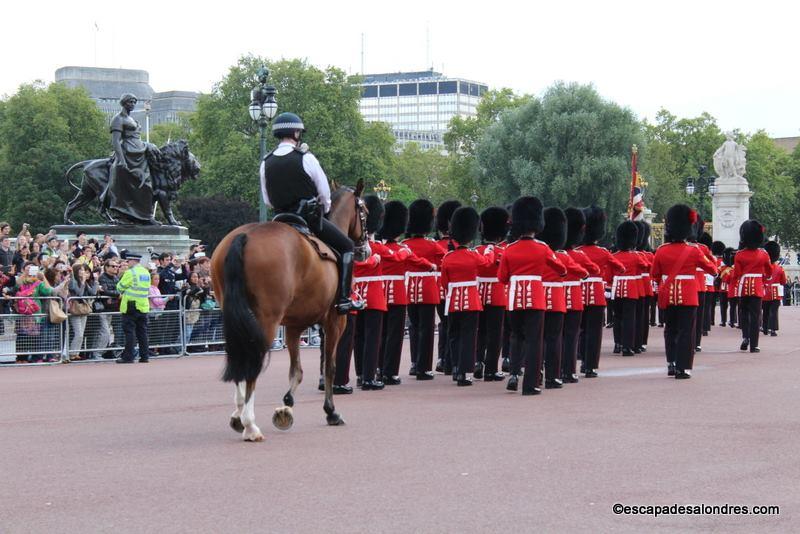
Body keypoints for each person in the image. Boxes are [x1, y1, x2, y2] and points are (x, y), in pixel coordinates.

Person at [259, 111, 363, 314]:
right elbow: (324, 193)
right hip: (306, 219)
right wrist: (323, 211)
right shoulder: (306, 158)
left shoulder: (266, 161)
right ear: (296, 133)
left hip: (279, 220)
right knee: (347, 246)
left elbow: (267, 200)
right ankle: (344, 299)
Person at [498, 196, 566, 395]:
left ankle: (513, 375)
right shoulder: (542, 248)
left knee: (516, 337)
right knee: (534, 340)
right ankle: (530, 384)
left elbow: (502, 277)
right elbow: (561, 269)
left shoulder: (509, 250)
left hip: (514, 299)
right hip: (535, 298)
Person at [651, 205, 718, 379]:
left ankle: (671, 363)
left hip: (667, 296)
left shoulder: (661, 250)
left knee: (670, 330)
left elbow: (655, 275)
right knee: (686, 332)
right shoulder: (694, 251)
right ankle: (683, 367)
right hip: (688, 295)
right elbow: (712, 269)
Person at [441, 207, 495, 386]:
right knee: (468, 336)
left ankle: (456, 368)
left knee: (454, 335)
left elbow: (445, 283)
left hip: (453, 301)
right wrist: (489, 250)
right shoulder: (473, 256)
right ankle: (465, 372)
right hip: (471, 301)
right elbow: (487, 263)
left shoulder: (448, 257)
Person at [539, 207, 588, 388]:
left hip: (539, 298)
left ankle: (540, 370)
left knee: (541, 337)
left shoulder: (539, 253)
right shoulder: (563, 257)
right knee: (565, 336)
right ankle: (566, 371)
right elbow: (582, 271)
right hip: (562, 299)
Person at [575, 206, 625, 377]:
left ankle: (580, 357)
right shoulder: (603, 252)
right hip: (596, 293)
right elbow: (620, 268)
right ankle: (590, 366)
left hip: (578, 292)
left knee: (579, 328)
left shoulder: (577, 252)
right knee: (594, 331)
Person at [403, 199, 447, 378]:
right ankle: (424, 367)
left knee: (414, 326)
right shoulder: (431, 245)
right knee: (426, 328)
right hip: (428, 289)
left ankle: (414, 363)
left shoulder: (405, 243)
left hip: (409, 289)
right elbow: (447, 259)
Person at [103, 94, 158, 225]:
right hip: (127, 154)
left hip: (138, 155)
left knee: (146, 185)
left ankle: (144, 216)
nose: (132, 104)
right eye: (130, 102)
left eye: (134, 101)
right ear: (123, 103)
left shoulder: (131, 119)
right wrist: (121, 160)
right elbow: (116, 141)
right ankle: (124, 215)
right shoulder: (118, 118)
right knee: (129, 186)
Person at [563, 208, 600, 383]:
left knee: (555, 335)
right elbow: (595, 270)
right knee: (577, 333)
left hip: (555, 297)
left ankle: (554, 368)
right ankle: (581, 367)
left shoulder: (555, 253)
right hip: (578, 297)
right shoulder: (581, 255)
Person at [475, 206, 509, 382]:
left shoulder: (477, 251)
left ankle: (477, 363)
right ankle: (490, 369)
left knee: (480, 331)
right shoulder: (504, 252)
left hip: (478, 294)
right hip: (497, 294)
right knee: (496, 333)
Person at [733, 221, 771, 353]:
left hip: (743, 287)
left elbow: (737, 274)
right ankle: (754, 345)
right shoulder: (764, 254)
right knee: (755, 315)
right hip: (757, 287)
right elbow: (769, 271)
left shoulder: (739, 254)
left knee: (743, 313)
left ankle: (745, 337)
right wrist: (764, 279)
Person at [611, 221, 647, 357]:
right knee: (629, 319)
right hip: (631, 289)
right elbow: (645, 266)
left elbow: (608, 274)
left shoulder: (614, 256)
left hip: (616, 288)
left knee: (617, 317)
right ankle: (627, 347)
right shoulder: (636, 256)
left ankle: (617, 343)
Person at [434, 200, 461, 374]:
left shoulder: (435, 245)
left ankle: (441, 358)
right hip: (453, 291)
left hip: (438, 290)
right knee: (452, 326)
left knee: (445, 324)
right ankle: (450, 361)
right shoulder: (457, 247)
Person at [115, 252, 151, 363]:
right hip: (143, 305)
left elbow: (119, 288)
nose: (127, 263)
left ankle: (128, 356)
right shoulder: (146, 272)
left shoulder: (130, 273)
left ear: (133, 261)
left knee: (130, 332)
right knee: (142, 332)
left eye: (128, 261)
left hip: (131, 306)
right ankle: (145, 356)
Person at [67, 263, 98, 361]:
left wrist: (96, 281)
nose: (83, 272)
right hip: (75, 309)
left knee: (82, 333)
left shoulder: (85, 282)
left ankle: (76, 353)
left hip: (83, 309)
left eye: (83, 270)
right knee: (78, 333)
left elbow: (93, 292)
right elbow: (79, 293)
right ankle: (72, 353)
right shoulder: (74, 281)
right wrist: (83, 282)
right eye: (80, 270)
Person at [762, 241, 785, 337]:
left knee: (765, 311)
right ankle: (773, 330)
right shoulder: (780, 269)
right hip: (775, 293)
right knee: (774, 312)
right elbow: (783, 281)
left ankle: (765, 328)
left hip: (765, 292)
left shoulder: (763, 267)